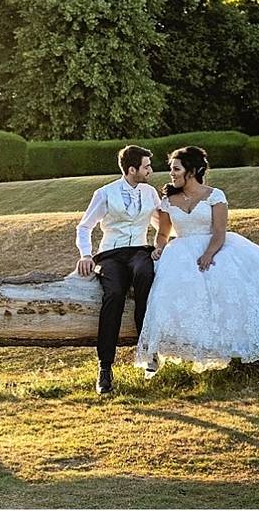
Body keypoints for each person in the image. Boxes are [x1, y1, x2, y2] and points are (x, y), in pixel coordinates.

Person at [134, 146, 259, 376]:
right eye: (171, 169)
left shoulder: (214, 195)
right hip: (180, 251)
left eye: (176, 169)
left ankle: (233, 347)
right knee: (169, 290)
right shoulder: (169, 200)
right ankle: (167, 351)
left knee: (230, 288)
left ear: (191, 171)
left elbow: (219, 232)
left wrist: (208, 254)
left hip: (216, 248)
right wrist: (159, 248)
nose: (171, 174)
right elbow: (163, 234)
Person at [75, 145, 161, 394]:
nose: (150, 171)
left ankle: (147, 350)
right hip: (111, 255)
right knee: (113, 294)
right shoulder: (104, 193)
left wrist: (178, 241)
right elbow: (84, 227)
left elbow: (161, 224)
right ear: (132, 169)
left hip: (139, 252)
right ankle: (105, 367)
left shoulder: (150, 192)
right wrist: (85, 255)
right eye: (146, 166)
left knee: (146, 275)